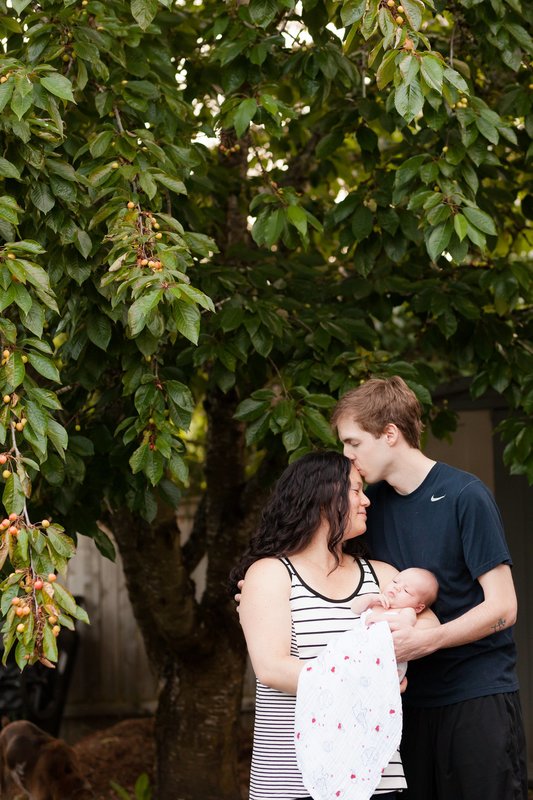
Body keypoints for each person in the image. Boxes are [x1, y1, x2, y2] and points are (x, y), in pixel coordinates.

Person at [331, 375, 527, 800]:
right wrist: (258, 589)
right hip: (401, 705)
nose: (347, 455)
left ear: (389, 434)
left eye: (354, 442)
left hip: (475, 698)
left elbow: (504, 607)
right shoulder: (369, 508)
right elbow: (326, 567)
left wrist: (429, 641)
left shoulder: (465, 495)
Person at [230, 451, 413, 800]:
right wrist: (368, 684)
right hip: (292, 779)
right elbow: (272, 668)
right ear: (323, 495)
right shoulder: (270, 574)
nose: (367, 501)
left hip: (378, 778)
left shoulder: (384, 577)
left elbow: (424, 631)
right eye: (356, 490)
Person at [350, 567, 439, 680]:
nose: (397, 587)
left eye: (406, 591)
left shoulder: (407, 611)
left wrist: (379, 618)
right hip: (358, 653)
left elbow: (404, 623)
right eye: (395, 581)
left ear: (418, 607)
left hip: (385, 662)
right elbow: (355, 609)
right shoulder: (377, 603)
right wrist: (370, 598)